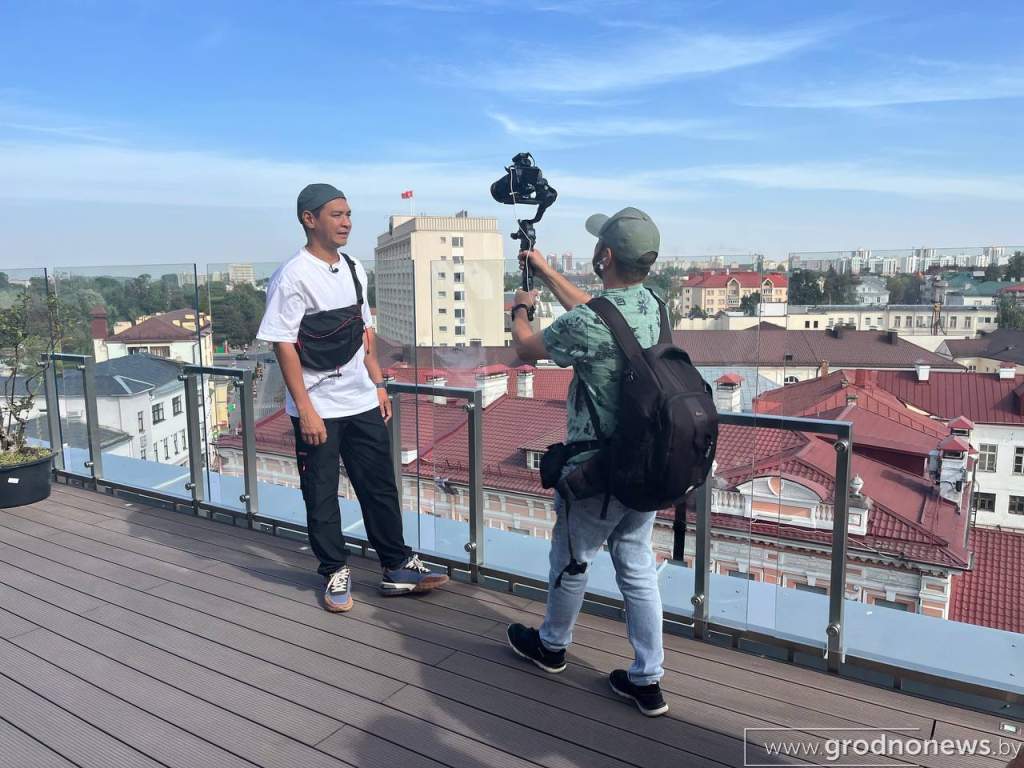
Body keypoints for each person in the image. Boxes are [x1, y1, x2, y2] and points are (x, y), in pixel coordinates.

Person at [504, 207, 669, 717]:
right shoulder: (657, 305)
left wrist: (521, 308)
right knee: (637, 567)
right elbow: (605, 314)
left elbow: (529, 351)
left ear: (605, 255)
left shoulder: (587, 322)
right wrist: (550, 271)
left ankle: (552, 647)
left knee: (572, 560)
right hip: (647, 461)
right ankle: (648, 680)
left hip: (597, 469)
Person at [257, 183, 448, 612]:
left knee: (379, 485)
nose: (346, 222)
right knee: (321, 492)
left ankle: (397, 565)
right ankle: (333, 570)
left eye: (348, 214)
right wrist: (305, 409)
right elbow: (283, 345)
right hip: (318, 407)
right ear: (309, 219)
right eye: (336, 215)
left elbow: (365, 332)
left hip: (361, 399)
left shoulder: (354, 268)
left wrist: (378, 383)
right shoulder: (292, 276)